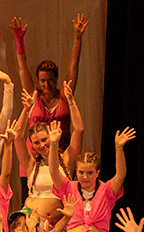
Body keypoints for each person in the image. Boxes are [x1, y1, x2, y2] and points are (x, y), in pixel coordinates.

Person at [12, 14, 87, 151]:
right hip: (34, 157)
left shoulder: (64, 95)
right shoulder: (34, 95)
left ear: (56, 79)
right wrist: (19, 40)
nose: (46, 85)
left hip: (61, 155)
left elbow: (74, 64)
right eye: (43, 81)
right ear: (38, 80)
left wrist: (78, 37)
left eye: (50, 80)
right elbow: (22, 66)